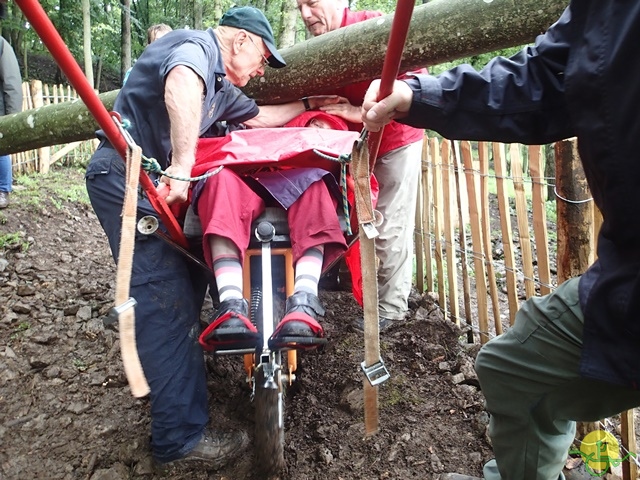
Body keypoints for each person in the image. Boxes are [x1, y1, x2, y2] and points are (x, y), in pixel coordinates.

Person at [362, 2, 640, 479]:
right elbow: (545, 79)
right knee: (514, 365)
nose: (306, 10)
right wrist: (421, 96)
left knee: (516, 365)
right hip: (628, 269)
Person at [86, 6, 340, 468]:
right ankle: (178, 441)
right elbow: (182, 82)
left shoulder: (223, 88)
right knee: (166, 303)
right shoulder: (195, 49)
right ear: (239, 41)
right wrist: (183, 167)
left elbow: (259, 119)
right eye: (263, 57)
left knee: (184, 289)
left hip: (150, 183)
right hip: (130, 179)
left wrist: (310, 107)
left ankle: (227, 314)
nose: (263, 69)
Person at [297, 0, 426, 332]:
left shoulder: (373, 26)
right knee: (353, 219)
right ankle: (356, 291)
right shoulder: (313, 51)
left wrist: (358, 111)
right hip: (352, 146)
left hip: (396, 139)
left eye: (311, 2)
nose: (305, 14)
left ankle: (392, 309)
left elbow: (416, 83)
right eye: (299, 6)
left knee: (388, 224)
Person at [193, 111, 355, 352]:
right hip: (240, 176)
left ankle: (304, 302)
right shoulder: (226, 100)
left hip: (298, 177)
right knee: (217, 180)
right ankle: (230, 304)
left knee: (316, 185)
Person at [0, 35, 23, 209]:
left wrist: (13, 117)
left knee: (1, 150)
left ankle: (3, 190)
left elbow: (11, 81)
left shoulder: (1, 45)